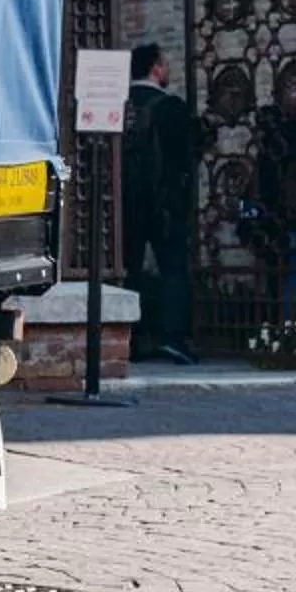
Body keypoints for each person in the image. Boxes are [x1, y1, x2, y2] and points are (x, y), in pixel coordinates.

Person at [120, 42, 199, 363]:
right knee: (174, 269)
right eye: (165, 64)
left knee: (129, 271)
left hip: (125, 203)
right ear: (156, 68)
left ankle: (131, 338)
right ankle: (172, 337)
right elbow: (186, 157)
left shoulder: (119, 105)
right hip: (164, 203)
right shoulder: (172, 108)